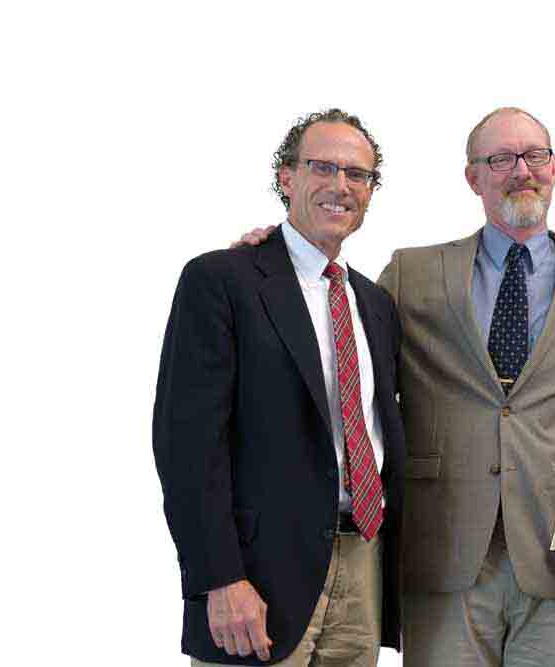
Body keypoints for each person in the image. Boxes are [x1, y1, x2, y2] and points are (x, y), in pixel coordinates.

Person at [235, 107, 555, 666]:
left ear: (554, 168)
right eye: (499, 159)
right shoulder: (413, 273)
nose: (520, 170)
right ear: (472, 177)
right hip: (442, 546)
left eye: (534, 156)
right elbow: (336, 338)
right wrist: (274, 257)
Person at [153, 108, 406, 666]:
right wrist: (219, 579)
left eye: (358, 174)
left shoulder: (375, 304)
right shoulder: (222, 281)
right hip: (257, 577)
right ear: (286, 177)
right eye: (323, 167)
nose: (340, 185)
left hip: (362, 563)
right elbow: (187, 448)